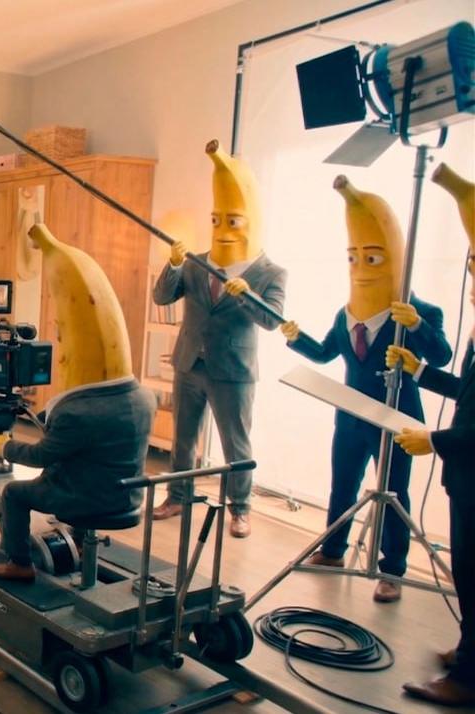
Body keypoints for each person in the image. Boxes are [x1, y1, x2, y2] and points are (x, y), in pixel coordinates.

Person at [281, 177, 450, 603]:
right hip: (350, 418)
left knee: (393, 494)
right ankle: (333, 550)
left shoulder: (421, 311)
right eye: (353, 258)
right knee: (343, 485)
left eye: (370, 258)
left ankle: (392, 570)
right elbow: (325, 353)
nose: (360, 267)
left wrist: (416, 325)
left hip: (396, 421)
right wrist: (296, 338)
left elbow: (442, 356)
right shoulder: (345, 314)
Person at [0, 224, 154, 581]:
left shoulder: (77, 413)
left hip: (85, 498)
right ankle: (78, 537)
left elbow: (41, 456)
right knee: (89, 464)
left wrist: (5, 447)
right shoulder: (144, 397)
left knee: (14, 493)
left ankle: (19, 563)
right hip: (127, 498)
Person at [151, 140, 287, 538]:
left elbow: (272, 320)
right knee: (182, 440)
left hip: (233, 370)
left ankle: (240, 508)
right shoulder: (195, 262)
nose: (222, 228)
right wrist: (174, 263)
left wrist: (246, 295)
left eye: (231, 221)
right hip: (189, 363)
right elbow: (161, 297)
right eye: (216, 220)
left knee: (235, 445)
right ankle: (177, 496)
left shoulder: (270, 273)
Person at [394, 161, 475, 707]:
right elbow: (469, 393)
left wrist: (436, 442)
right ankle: (469, 648)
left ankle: (468, 679)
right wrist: (421, 372)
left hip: (468, 467)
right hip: (465, 477)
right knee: (466, 572)